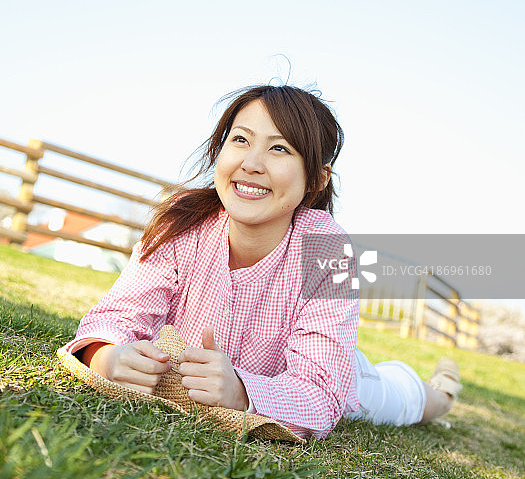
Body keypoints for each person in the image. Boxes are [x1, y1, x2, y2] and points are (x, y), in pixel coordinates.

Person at [63, 84, 462, 440]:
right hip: (212, 378)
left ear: (317, 179)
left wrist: (240, 391)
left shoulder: (325, 248)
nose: (252, 163)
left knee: (400, 399)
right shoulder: (182, 221)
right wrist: (107, 356)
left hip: (335, 376)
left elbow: (321, 393)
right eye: (240, 139)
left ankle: (442, 392)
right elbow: (117, 315)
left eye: (279, 148)